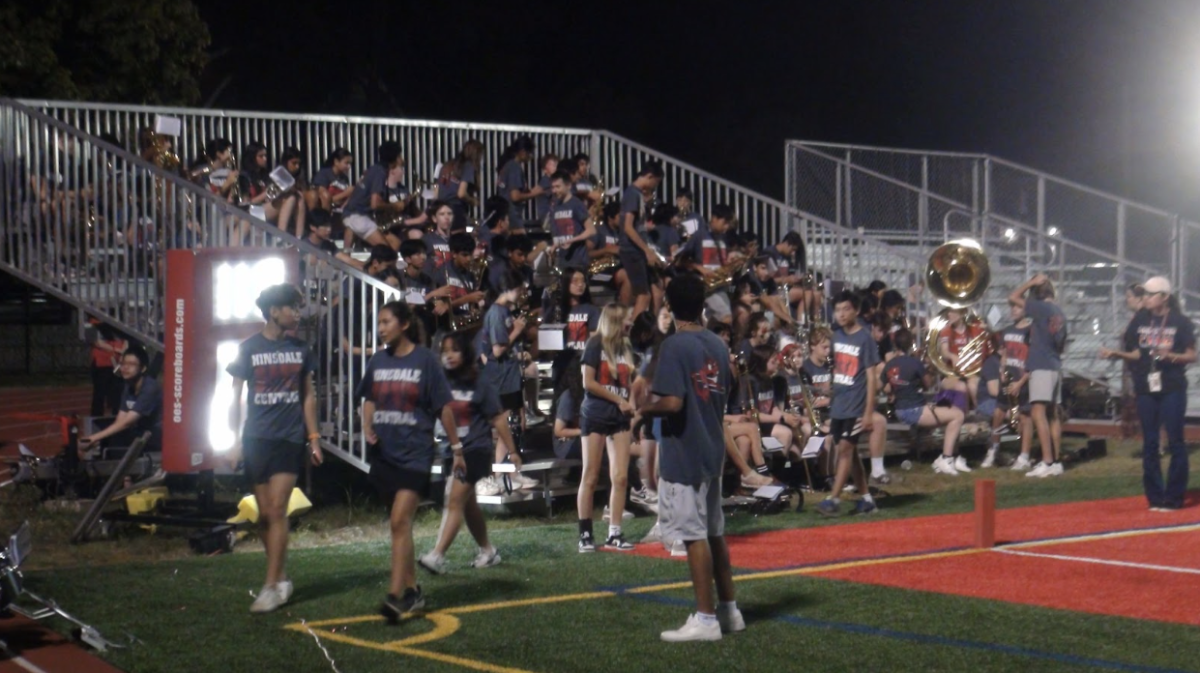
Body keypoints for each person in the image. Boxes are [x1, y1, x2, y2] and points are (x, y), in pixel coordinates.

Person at [639, 273, 744, 642]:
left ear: (669, 305)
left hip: (685, 449)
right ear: (701, 305)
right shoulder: (716, 343)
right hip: (713, 446)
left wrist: (642, 406)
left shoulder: (674, 346)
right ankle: (730, 611)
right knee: (714, 532)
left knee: (693, 535)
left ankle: (706, 618)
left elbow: (673, 402)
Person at [225, 284, 322, 613]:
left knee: (277, 509)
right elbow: (234, 397)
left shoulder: (302, 348)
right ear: (272, 312)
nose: (296, 313)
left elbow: (308, 396)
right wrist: (235, 441)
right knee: (264, 515)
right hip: (256, 438)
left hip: (288, 438)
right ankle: (280, 576)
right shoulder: (248, 348)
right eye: (290, 307)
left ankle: (269, 587)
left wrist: (314, 437)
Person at [360, 301, 459, 621]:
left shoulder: (426, 361)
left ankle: (393, 596)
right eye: (379, 322)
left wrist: (456, 447)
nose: (381, 328)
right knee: (400, 527)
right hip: (385, 454)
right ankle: (414, 592)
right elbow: (369, 399)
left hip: (416, 452)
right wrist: (366, 426)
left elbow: (443, 406)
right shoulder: (377, 360)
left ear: (403, 324)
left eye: (386, 321)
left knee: (399, 521)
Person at [418, 333, 517, 574]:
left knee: (453, 499)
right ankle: (488, 551)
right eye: (445, 351)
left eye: (455, 350)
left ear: (466, 353)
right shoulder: (440, 382)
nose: (449, 356)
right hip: (453, 450)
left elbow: (498, 418)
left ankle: (437, 555)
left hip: (475, 449)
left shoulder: (480, 382)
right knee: (467, 504)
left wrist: (512, 451)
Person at [1101, 276, 1195, 511]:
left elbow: (1192, 355)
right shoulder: (1140, 319)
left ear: (1164, 297)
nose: (1146, 298)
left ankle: (1174, 497)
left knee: (1175, 442)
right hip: (1146, 387)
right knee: (1150, 443)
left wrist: (1171, 355)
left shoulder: (1180, 321)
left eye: (1151, 294)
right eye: (1144, 294)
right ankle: (1155, 497)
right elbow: (1137, 354)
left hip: (1172, 386)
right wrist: (1116, 354)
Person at [577, 303, 638, 552]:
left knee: (621, 477)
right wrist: (618, 400)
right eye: (627, 318)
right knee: (590, 476)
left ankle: (615, 533)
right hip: (595, 416)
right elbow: (588, 383)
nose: (631, 323)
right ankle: (585, 533)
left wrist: (630, 409)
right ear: (615, 319)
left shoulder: (626, 347)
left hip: (619, 419)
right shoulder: (595, 344)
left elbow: (630, 385)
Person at [816, 291, 879, 516]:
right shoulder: (836, 336)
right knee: (850, 454)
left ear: (856, 311)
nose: (841, 314)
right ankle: (866, 498)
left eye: (846, 309)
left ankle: (833, 499)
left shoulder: (865, 338)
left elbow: (872, 377)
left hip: (856, 404)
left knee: (844, 449)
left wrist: (869, 411)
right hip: (840, 403)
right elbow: (837, 368)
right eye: (838, 310)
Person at [883, 330, 966, 475]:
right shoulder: (915, 363)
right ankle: (945, 459)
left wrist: (895, 391)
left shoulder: (890, 364)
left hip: (900, 410)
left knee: (952, 414)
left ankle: (953, 456)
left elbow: (886, 387)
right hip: (915, 410)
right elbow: (928, 384)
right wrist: (931, 370)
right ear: (910, 344)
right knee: (958, 415)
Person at [1009, 274, 1067, 478]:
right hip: (1054, 364)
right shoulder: (1059, 312)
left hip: (1041, 364)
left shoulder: (1041, 308)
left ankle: (1047, 461)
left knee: (1037, 412)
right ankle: (1056, 461)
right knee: (1052, 415)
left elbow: (1013, 296)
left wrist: (1030, 283)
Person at [79, 345, 162, 454]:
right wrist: (99, 440)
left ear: (143, 368)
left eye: (131, 364)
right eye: (123, 363)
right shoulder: (128, 385)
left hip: (157, 436)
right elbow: (121, 420)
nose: (125, 368)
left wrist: (93, 438)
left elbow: (127, 422)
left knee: (114, 440)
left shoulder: (150, 388)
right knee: (108, 437)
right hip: (140, 432)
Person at [617, 162, 665, 317]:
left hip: (639, 250)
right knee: (643, 296)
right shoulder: (632, 194)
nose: (654, 187)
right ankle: (634, 334)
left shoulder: (637, 194)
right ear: (650, 177)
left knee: (654, 291)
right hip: (632, 251)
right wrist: (647, 251)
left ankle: (647, 328)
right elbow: (628, 227)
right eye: (656, 183)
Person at [342, 141, 403, 248]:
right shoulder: (380, 173)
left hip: (352, 215)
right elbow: (375, 204)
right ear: (396, 158)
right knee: (385, 253)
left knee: (395, 243)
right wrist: (395, 206)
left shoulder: (374, 169)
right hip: (358, 216)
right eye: (399, 156)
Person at [495, 136, 541, 232]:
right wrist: (534, 194)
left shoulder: (507, 166)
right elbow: (515, 196)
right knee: (522, 244)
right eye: (530, 153)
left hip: (506, 215)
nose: (531, 156)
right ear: (523, 152)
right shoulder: (514, 167)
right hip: (512, 216)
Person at [437, 139, 484, 232]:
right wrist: (472, 200)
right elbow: (461, 193)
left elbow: (437, 189)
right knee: (457, 241)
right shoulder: (468, 166)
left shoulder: (448, 165)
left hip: (440, 208)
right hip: (456, 209)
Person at [89, 324, 127, 416]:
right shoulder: (95, 322)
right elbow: (96, 341)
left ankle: (117, 418)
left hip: (117, 362)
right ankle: (97, 419)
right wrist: (117, 350)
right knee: (100, 394)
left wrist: (123, 351)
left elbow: (127, 339)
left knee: (118, 393)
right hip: (101, 362)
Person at [312, 147, 355, 216]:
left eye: (350, 164)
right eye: (346, 163)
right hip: (325, 211)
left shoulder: (344, 178)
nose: (349, 166)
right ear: (336, 162)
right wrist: (345, 193)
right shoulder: (323, 174)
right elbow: (323, 199)